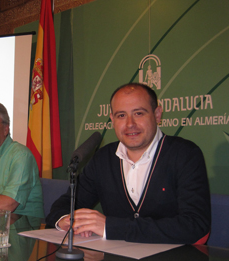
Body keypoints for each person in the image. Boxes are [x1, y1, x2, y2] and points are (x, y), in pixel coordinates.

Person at [46, 83, 211, 244]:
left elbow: (195, 224)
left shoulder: (185, 154)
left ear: (157, 114)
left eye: (138, 113)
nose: (130, 124)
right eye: (121, 115)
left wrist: (110, 227)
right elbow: (64, 205)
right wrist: (65, 220)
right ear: (112, 119)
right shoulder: (103, 158)